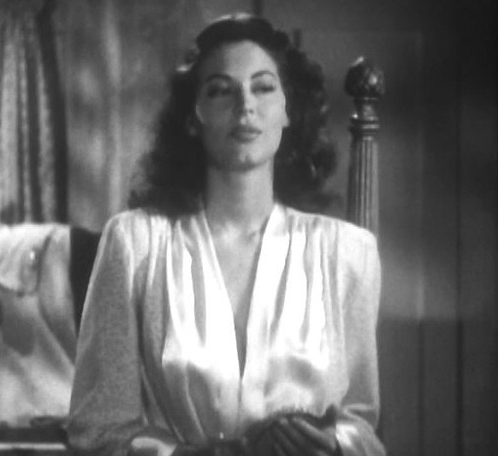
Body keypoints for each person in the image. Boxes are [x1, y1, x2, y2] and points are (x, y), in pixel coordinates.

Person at [67, 13, 386, 456]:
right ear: (192, 117)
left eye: (263, 87)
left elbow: (362, 426)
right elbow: (96, 430)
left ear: (288, 110)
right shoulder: (136, 244)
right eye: (221, 90)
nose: (245, 105)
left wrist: (331, 444)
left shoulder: (347, 253)